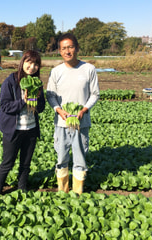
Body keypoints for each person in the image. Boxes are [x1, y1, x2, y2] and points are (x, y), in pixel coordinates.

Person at [46, 33, 100, 195]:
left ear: (77, 48)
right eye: (64, 48)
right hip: (61, 123)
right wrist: (58, 110)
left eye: (70, 47)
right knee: (61, 157)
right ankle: (62, 190)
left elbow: (95, 94)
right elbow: (50, 95)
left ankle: (77, 192)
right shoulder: (56, 71)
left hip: (81, 122)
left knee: (80, 157)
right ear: (59, 51)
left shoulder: (89, 69)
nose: (67, 51)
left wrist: (84, 110)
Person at [0, 50, 45, 194]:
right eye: (29, 62)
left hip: (31, 130)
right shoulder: (11, 80)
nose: (32, 67)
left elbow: (41, 108)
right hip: (14, 130)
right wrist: (23, 101)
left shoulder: (37, 83)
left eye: (36, 64)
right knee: (7, 163)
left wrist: (36, 100)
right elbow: (5, 106)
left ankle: (22, 189)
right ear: (23, 62)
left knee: (26, 164)